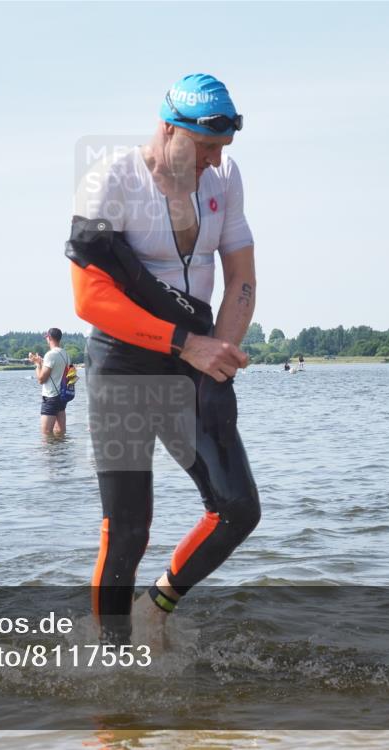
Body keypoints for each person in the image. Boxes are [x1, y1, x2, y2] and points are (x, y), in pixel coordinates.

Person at [71, 73, 259, 643]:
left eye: (221, 150)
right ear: (168, 129)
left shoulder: (223, 178)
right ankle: (111, 657)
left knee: (237, 508)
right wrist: (186, 344)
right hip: (124, 364)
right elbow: (90, 298)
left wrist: (217, 352)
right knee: (127, 530)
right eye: (204, 148)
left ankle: (157, 608)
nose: (212, 161)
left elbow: (242, 279)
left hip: (194, 357)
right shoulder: (113, 179)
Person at [28, 328, 70, 436]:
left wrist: (37, 364)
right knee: (60, 432)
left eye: (47, 337)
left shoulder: (50, 355)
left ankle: (49, 453)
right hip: (62, 395)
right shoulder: (65, 354)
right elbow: (56, 373)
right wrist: (42, 363)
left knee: (46, 433)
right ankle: (62, 453)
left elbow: (41, 379)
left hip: (51, 397)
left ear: (49, 338)